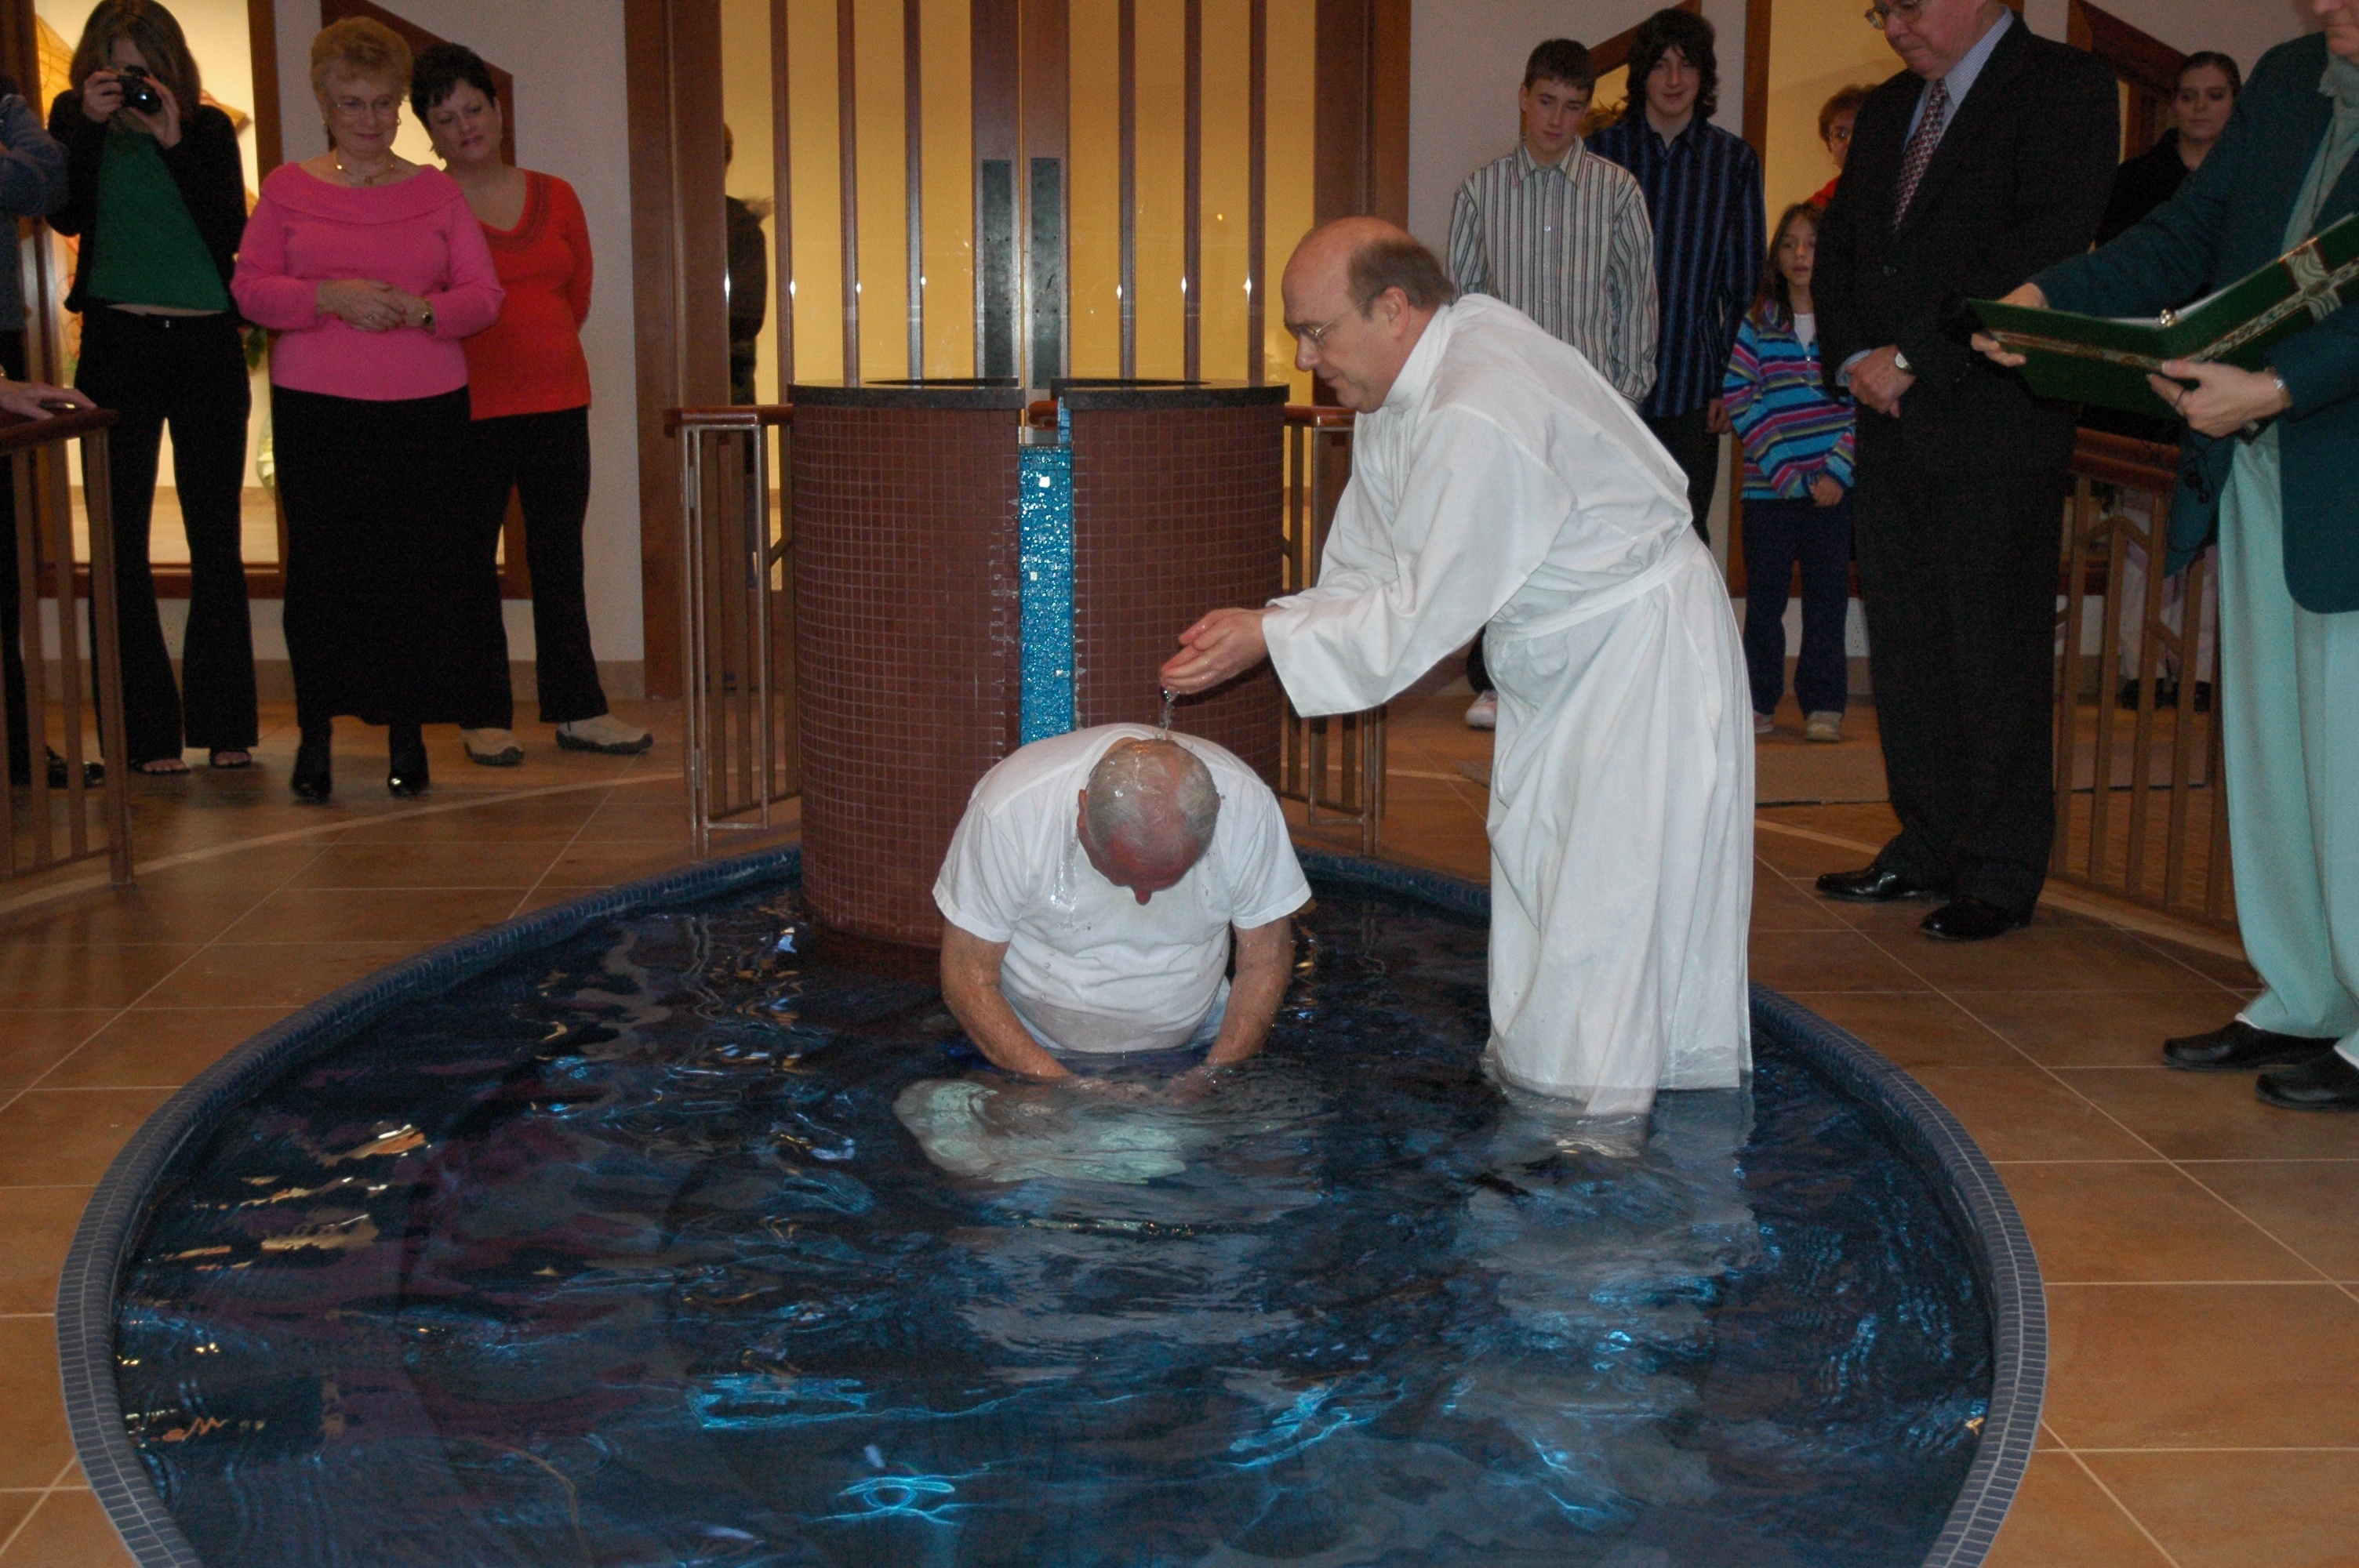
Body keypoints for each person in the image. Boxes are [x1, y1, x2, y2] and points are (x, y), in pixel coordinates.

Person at [1161, 220, 1752, 1117]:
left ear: (1393, 308)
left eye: (1316, 330)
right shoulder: (1407, 382)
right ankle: (1553, 1087)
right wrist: (1272, 623)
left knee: (1601, 903)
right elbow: (1370, 572)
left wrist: (1268, 638)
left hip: (1634, 654)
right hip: (1565, 659)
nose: (1305, 353)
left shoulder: (1475, 404)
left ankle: (1585, 1149)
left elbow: (1416, 617)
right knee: (1541, 879)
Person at [1974, 0, 2359, 1109]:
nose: (2323, 9)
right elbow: (2191, 233)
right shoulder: (2289, 80)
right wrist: (2051, 298)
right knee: (2276, 755)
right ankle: (2303, 996)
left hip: (2332, 455)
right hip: (2254, 465)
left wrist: (2283, 384)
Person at [1811, 0, 2115, 942]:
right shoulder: (1896, 105)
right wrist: (1859, 354)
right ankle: (1927, 840)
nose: (1890, 25)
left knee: (1993, 649)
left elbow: (2040, 247)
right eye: (1878, 9)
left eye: (1904, 5)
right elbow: (1843, 250)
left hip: (1992, 420)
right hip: (1889, 420)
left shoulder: (2063, 89)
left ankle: (1998, 866)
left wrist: (1912, 355)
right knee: (1905, 646)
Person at [231, 18, 503, 800]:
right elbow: (250, 289)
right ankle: (315, 732)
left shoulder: (435, 190)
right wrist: (328, 296)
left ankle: (408, 732)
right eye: (354, 103)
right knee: (323, 574)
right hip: (320, 408)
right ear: (324, 100)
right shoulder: (287, 187)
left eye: (385, 103)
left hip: (423, 410)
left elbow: (482, 296)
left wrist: (423, 312)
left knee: (413, 574)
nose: (372, 120)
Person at [413, 43, 652, 764]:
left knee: (558, 560)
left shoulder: (558, 193)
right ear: (429, 131)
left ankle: (579, 709)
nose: (465, 126)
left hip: (556, 400)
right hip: (463, 406)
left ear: (498, 108)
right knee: (466, 563)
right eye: (445, 116)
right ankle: (482, 713)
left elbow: (575, 295)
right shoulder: (425, 201)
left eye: (474, 108)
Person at [49, 0, 256, 776]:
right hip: (117, 341)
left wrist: (171, 139)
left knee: (216, 540)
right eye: (117, 69)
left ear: (170, 69)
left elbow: (229, 232)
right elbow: (64, 211)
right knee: (120, 547)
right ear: (92, 70)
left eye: (144, 70)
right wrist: (93, 128)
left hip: (205, 343)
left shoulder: (201, 127)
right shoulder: (74, 122)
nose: (133, 85)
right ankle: (146, 736)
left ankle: (227, 725)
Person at [1448, 35, 1658, 731]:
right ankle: (1501, 679)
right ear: (1523, 98)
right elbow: (1465, 307)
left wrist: (1622, 402)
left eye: (1573, 107)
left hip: (1593, 409)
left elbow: (1638, 301)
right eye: (1546, 102)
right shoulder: (1479, 193)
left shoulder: (1618, 191)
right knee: (1508, 546)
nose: (1557, 121)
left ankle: (1589, 682)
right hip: (1510, 406)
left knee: (1585, 554)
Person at [933, 727, 1310, 1083]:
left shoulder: (1246, 805)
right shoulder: (1012, 811)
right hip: (1036, 1050)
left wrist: (1214, 1075)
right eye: (1121, 876)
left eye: (1167, 880)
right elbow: (968, 976)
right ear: (1082, 813)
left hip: (1199, 1045)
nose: (1143, 899)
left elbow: (1265, 959)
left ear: (1216, 809)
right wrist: (1063, 1088)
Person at [2092, 51, 2241, 708]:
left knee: (2207, 528)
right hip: (2144, 376)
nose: (2201, 107)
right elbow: (2116, 278)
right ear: (2171, 104)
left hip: (2226, 373)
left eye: (2215, 95)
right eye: (2188, 95)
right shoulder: (2134, 181)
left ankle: (2199, 670)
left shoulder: (2254, 180)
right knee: (2138, 531)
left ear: (2235, 104)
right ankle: (2138, 665)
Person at [1590, 7, 1764, 547]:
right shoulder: (1600, 156)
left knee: (1686, 533)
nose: (1672, 80)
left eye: (1686, 66)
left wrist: (1729, 384)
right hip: (1607, 382)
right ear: (1640, 72)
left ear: (1703, 77)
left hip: (1693, 384)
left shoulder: (1732, 160)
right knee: (1607, 531)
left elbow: (1742, 282)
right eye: (1660, 65)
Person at [1724, 202, 1854, 742]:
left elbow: (1863, 406)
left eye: (1812, 244)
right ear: (1776, 256)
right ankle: (1758, 700)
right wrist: (1783, 472)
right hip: (1769, 493)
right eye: (1790, 244)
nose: (1801, 255)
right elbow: (1739, 394)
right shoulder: (1758, 322)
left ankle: (1823, 703)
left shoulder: (1848, 322)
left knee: (1828, 598)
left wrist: (1836, 473)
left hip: (1833, 493)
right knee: (1767, 599)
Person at [0, 71, 69, 790]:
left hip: (4, 346)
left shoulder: (5, 103)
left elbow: (41, 184)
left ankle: (18, 745)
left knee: (5, 571)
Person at [1810, 84, 1872, 209]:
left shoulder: (1904, 189)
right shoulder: (1818, 206)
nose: (1850, 141)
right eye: (1841, 135)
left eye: (1859, 130)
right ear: (1829, 145)